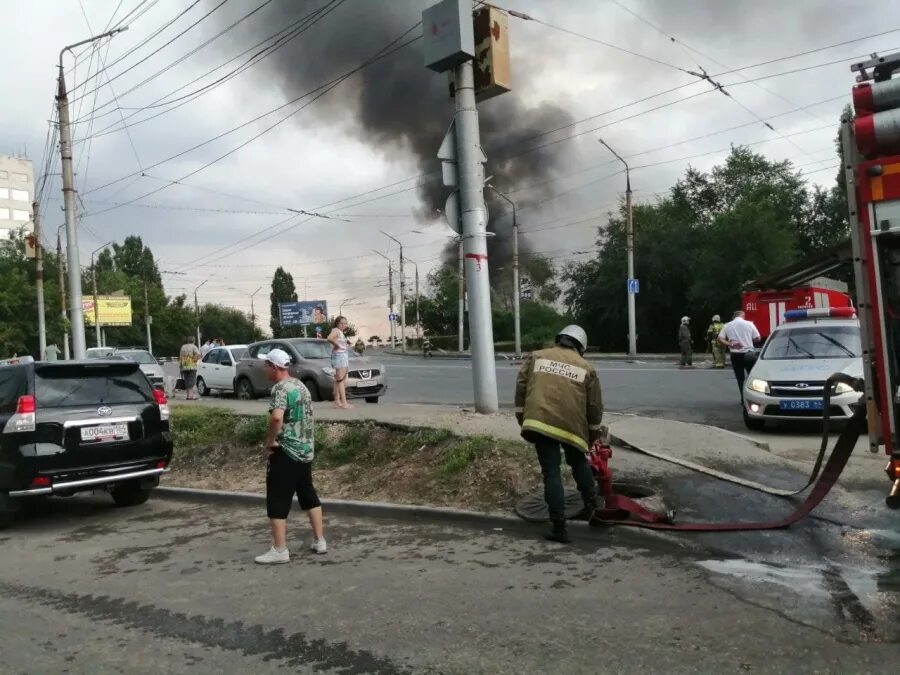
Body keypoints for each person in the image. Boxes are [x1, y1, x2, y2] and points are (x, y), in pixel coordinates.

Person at [515, 325, 602, 544]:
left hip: (540, 422)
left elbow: (521, 388)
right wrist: (593, 434)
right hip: (572, 427)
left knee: (551, 474)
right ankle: (594, 511)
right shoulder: (586, 367)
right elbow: (594, 406)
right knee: (579, 463)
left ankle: (559, 528)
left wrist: (522, 419)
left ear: (559, 339)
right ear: (580, 346)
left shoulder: (537, 357)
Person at [255, 348, 326, 564]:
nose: (264, 368)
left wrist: (270, 441)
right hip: (305, 449)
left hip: (286, 450)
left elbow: (277, 419)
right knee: (307, 493)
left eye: (266, 364)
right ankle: (319, 540)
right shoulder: (300, 385)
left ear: (275, 367)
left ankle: (280, 549)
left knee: (277, 498)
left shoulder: (280, 389)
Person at [718, 310, 761, 398]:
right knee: (751, 377)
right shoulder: (749, 324)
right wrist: (748, 340)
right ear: (743, 316)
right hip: (749, 353)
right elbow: (758, 338)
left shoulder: (727, 325)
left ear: (734, 317)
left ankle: (743, 398)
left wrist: (730, 344)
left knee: (740, 378)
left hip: (735, 354)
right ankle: (753, 397)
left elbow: (720, 338)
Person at [327, 316, 351, 409]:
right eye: (342, 323)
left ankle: (337, 400)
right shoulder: (336, 330)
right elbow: (329, 338)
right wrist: (337, 345)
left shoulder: (339, 332)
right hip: (339, 356)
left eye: (345, 323)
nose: (344, 325)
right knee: (341, 380)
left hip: (342, 356)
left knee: (339, 379)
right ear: (337, 323)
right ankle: (344, 403)